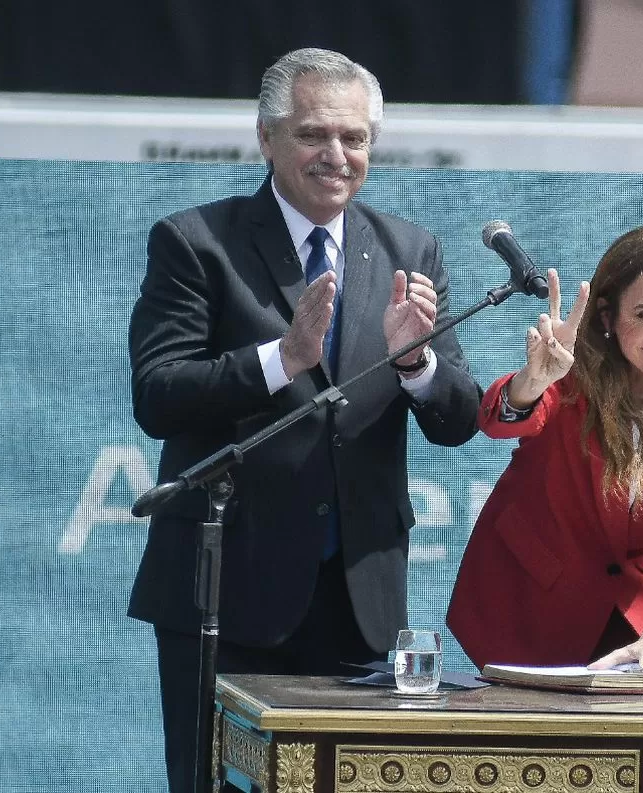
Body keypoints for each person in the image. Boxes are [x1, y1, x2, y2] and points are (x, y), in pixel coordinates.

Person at [126, 48, 481, 792]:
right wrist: (281, 359)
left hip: (357, 601)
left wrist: (414, 363)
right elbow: (159, 393)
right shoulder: (197, 243)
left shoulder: (408, 250)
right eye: (315, 134)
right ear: (266, 137)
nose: (337, 155)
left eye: (355, 139)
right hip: (227, 594)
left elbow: (456, 418)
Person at [447, 225, 643, 670]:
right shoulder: (568, 370)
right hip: (528, 602)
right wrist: (532, 382)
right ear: (607, 316)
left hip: (642, 618)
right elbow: (503, 420)